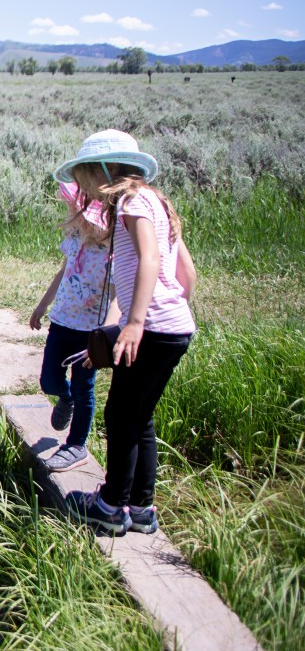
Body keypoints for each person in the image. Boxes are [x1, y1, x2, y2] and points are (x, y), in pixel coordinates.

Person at [54, 129, 197, 535]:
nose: (82, 187)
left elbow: (150, 257)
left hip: (151, 328)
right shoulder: (158, 202)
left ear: (104, 171)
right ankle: (142, 507)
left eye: (83, 176)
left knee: (119, 416)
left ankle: (111, 506)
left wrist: (136, 322)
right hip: (174, 328)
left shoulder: (133, 202)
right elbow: (187, 274)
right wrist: (169, 308)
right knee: (140, 418)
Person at [29, 182, 117, 472]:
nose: (70, 213)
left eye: (73, 208)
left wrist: (105, 333)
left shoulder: (111, 251)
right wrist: (42, 305)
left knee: (85, 389)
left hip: (88, 332)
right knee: (49, 381)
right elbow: (63, 273)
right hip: (62, 322)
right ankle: (64, 398)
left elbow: (116, 293)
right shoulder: (75, 239)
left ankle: (76, 443)